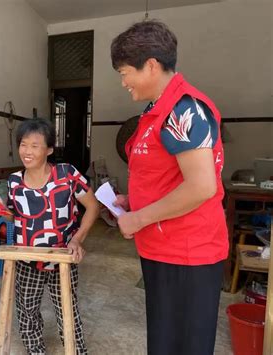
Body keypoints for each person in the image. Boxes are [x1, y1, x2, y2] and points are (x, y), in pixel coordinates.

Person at [110, 20, 228, 355]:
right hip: (164, 248)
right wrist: (134, 200)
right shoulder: (157, 111)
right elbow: (168, 177)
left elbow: (202, 186)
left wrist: (137, 219)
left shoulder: (183, 108)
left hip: (188, 253)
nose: (123, 83)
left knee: (183, 345)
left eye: (124, 72)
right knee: (164, 342)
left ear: (150, 65)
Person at [5, 118, 99, 355]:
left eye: (35, 146)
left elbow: (93, 207)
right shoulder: (14, 182)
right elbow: (15, 216)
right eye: (23, 144)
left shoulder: (66, 174)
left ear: (48, 149)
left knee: (67, 311)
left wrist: (77, 239)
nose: (27, 151)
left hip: (61, 259)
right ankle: (36, 351)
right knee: (26, 311)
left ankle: (76, 351)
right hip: (27, 260)